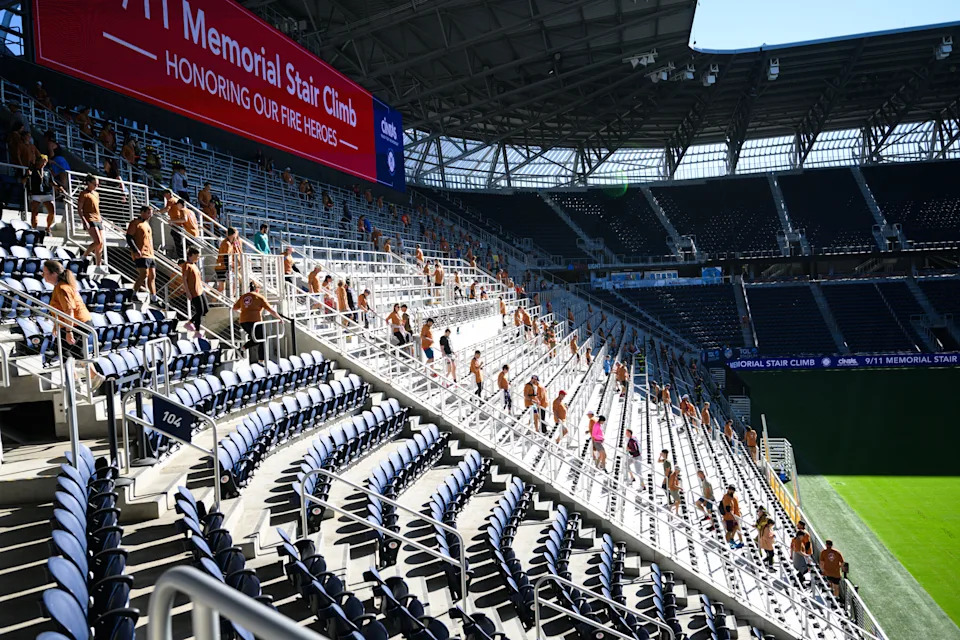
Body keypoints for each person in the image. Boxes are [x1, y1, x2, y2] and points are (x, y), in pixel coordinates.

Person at [233, 281, 282, 363]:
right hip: (255, 321)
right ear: (257, 289)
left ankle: (243, 349)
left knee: (256, 338)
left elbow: (235, 307)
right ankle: (260, 360)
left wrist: (246, 308)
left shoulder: (243, 297)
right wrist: (279, 318)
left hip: (243, 321)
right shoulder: (260, 297)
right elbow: (271, 310)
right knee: (262, 339)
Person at [125, 205, 158, 303]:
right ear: (142, 212)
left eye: (151, 213)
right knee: (144, 274)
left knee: (152, 276)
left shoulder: (147, 225)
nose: (150, 215)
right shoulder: (135, 223)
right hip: (141, 253)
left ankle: (154, 297)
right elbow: (129, 237)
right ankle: (134, 293)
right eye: (148, 213)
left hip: (150, 254)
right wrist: (135, 250)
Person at [24, 154, 61, 232]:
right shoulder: (32, 169)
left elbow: (52, 182)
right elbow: (23, 181)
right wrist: (27, 175)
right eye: (42, 161)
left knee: (52, 212)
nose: (44, 163)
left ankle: (48, 227)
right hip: (35, 193)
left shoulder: (47, 171)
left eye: (45, 162)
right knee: (34, 212)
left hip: (47, 193)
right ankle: (34, 229)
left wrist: (58, 187)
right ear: (38, 161)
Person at [77, 174, 104, 270]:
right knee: (97, 241)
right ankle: (84, 256)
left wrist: (101, 219)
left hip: (98, 219)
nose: (97, 186)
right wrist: (84, 221)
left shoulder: (96, 194)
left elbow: (97, 208)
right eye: (95, 184)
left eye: (97, 184)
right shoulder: (83, 194)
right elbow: (79, 209)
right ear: (89, 183)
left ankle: (98, 266)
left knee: (100, 244)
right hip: (90, 218)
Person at [182, 247, 207, 338]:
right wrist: (187, 292)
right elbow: (184, 279)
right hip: (194, 291)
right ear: (191, 255)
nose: (198, 258)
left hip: (200, 290)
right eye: (197, 256)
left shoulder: (194, 265)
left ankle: (190, 322)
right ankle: (197, 331)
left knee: (205, 309)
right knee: (199, 311)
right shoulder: (186, 265)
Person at [215, 227, 242, 295]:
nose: (237, 236)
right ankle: (231, 298)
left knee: (223, 287)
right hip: (222, 268)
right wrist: (229, 269)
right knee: (223, 287)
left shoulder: (231, 243)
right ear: (233, 234)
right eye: (236, 234)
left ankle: (213, 301)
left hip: (224, 267)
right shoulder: (226, 243)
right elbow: (226, 257)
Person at [791, 521, 813, 587]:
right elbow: (798, 550)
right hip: (801, 556)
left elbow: (807, 544)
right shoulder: (798, 540)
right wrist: (805, 555)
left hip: (802, 554)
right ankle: (800, 582)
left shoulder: (798, 538)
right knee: (804, 569)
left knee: (805, 569)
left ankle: (799, 578)